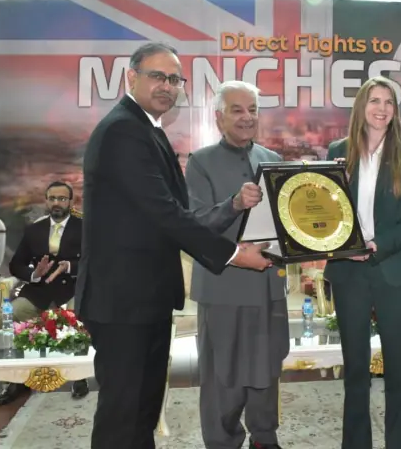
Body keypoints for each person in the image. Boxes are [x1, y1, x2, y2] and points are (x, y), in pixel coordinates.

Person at [75, 42, 273, 449]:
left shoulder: (146, 127)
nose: (166, 86)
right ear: (132, 77)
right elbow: (166, 212)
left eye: (173, 79)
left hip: (142, 296)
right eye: (157, 76)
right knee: (122, 413)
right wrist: (234, 254)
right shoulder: (123, 131)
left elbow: (173, 213)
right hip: (122, 299)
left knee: (141, 409)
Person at [186, 81, 289, 449]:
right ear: (218, 118)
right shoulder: (200, 162)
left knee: (267, 367)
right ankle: (222, 442)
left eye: (253, 110)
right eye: (237, 110)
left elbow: (285, 225)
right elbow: (194, 226)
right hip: (224, 285)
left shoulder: (273, 161)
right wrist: (234, 203)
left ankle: (265, 438)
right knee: (222, 375)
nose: (247, 117)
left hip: (269, 284)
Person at [325, 76, 401, 449]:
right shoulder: (339, 149)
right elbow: (328, 214)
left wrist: (374, 246)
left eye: (388, 102)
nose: (381, 108)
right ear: (361, 107)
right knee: (355, 371)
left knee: (400, 371)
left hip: (393, 271)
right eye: (374, 100)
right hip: (348, 272)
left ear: (394, 110)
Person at [0, 181, 89, 405]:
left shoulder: (85, 227)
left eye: (62, 198)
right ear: (46, 201)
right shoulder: (34, 230)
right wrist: (33, 273)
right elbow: (16, 265)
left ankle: (79, 376)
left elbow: (96, 261)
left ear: (71, 202)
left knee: (80, 313)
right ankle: (17, 377)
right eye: (53, 199)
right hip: (38, 289)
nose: (57, 203)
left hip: (71, 288)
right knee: (10, 314)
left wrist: (69, 266)